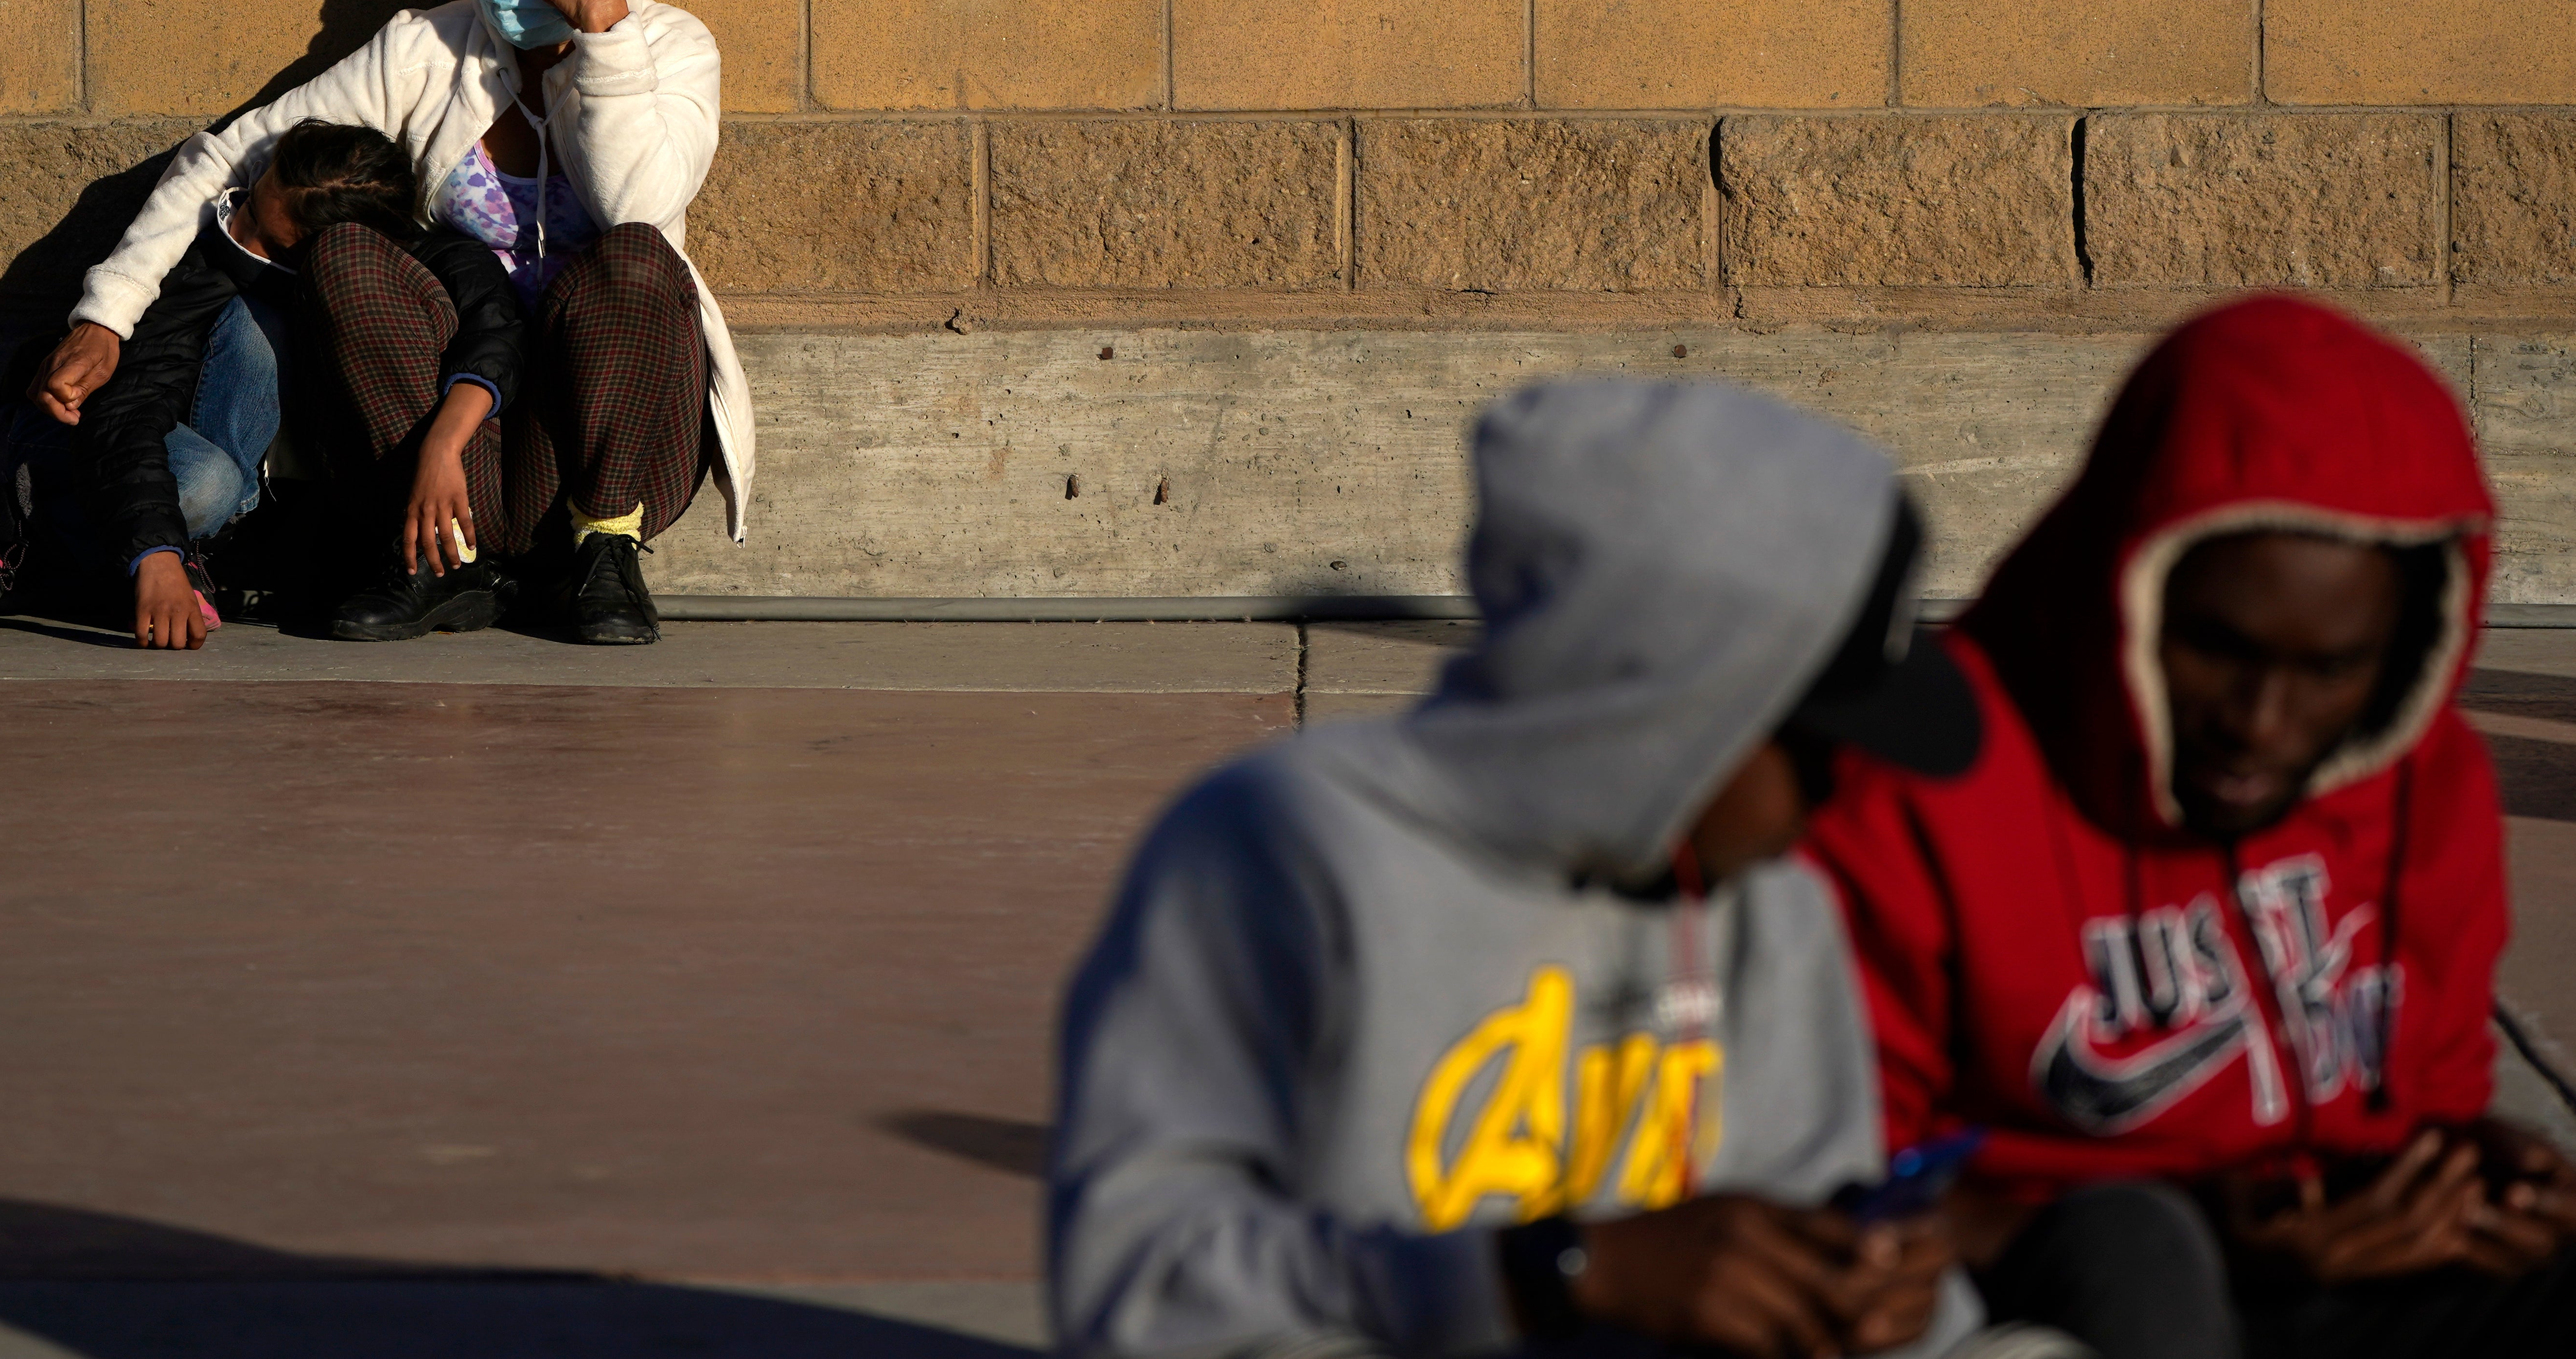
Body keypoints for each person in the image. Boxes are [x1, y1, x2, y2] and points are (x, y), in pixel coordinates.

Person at [1048, 377, 2005, 1359]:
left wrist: (1887, 1298)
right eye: (1813, 743)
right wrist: (1536, 1271)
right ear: (1669, 702)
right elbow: (1134, 1287)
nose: (1842, 793)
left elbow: (1812, 1211)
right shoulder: (1281, 847)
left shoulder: (1773, 901)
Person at [1802, 295, 2576, 1358]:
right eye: (2216, 646)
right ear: (2121, 585)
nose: (2261, 725)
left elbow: (2424, 1095)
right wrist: (2204, 1226)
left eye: (2330, 669)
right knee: (2141, 1246)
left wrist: (2473, 1169)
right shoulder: (1927, 780)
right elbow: (1820, 1183)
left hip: (2332, 1267)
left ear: (2406, 651)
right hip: (2036, 1287)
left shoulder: (2425, 784)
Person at [20, 0, 752, 648]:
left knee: (636, 260)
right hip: (444, 439)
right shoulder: (429, 47)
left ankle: (604, 553)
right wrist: (106, 314)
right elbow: (233, 153)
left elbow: (637, 203)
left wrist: (608, 39)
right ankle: (435, 560)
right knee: (347, 250)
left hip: (594, 432)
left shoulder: (672, 51)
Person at [0, 122, 523, 650]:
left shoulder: (412, 261)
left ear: (336, 251)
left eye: (271, 241)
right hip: (102, 434)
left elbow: (494, 327)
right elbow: (132, 406)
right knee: (209, 479)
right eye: (250, 203)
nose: (238, 236)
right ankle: (10, 518)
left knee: (223, 452)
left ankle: (56, 552)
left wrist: (444, 446)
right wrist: (158, 555)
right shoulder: (199, 258)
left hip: (195, 468)